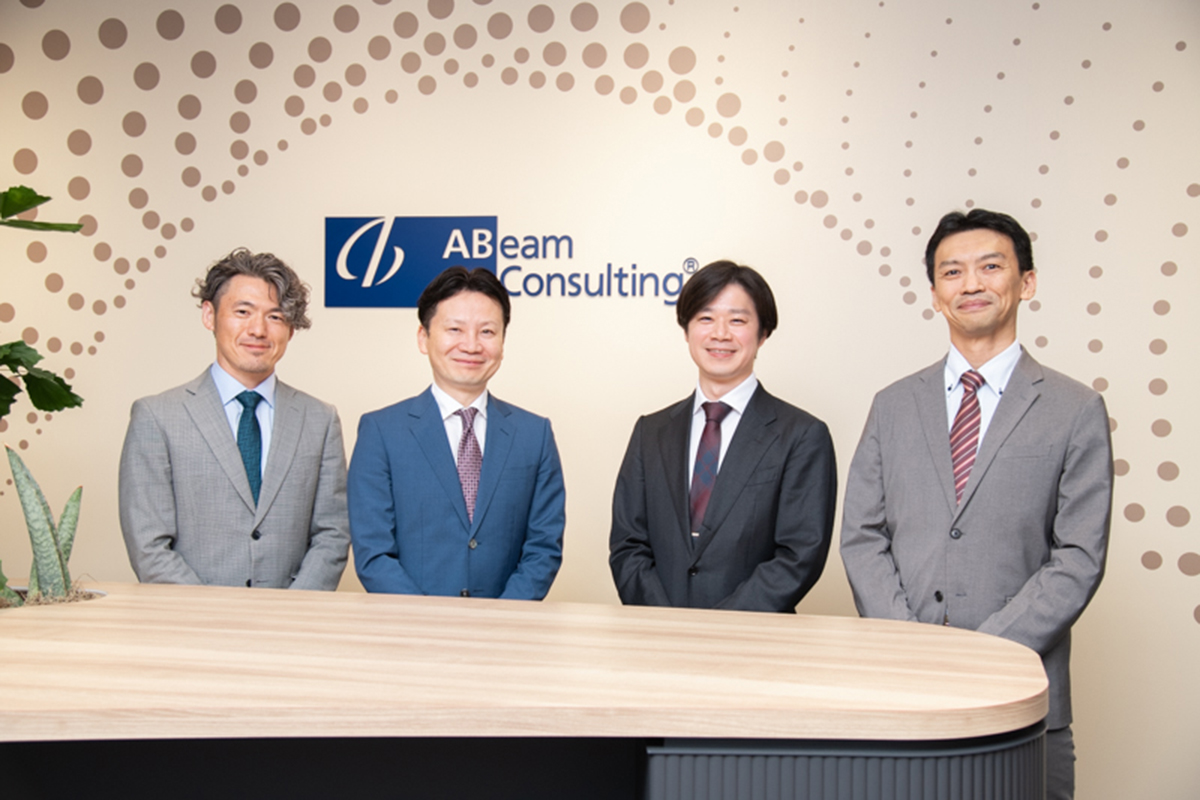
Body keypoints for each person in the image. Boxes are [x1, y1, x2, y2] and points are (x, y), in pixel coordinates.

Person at [840, 209, 1112, 799]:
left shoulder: (1075, 408)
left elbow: (1078, 557)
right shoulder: (892, 405)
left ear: (1026, 282)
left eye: (990, 267)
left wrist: (984, 652)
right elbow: (861, 535)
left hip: (1023, 695)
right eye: (952, 272)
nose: (971, 284)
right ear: (935, 294)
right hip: (902, 692)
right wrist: (910, 643)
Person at [609, 260, 837, 612]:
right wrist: (664, 622)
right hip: (657, 632)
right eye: (705, 318)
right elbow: (628, 545)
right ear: (686, 331)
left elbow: (799, 555)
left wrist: (721, 628)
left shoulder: (802, 435)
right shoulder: (650, 432)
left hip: (753, 637)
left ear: (763, 334)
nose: (720, 334)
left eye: (737, 321)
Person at [119, 249, 350, 589]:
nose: (258, 329)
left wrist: (291, 608)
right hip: (191, 617)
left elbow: (332, 534)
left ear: (291, 329)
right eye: (243, 312)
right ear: (209, 315)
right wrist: (213, 613)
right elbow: (148, 546)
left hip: (292, 616)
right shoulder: (157, 416)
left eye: (275, 316)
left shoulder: (320, 419)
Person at [348, 267, 565, 599]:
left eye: (487, 331)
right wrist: (430, 620)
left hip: (506, 625)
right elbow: (374, 555)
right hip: (409, 625)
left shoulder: (534, 435)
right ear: (423, 337)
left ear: (503, 342)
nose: (472, 345)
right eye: (455, 329)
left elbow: (544, 548)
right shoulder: (380, 431)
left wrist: (501, 618)